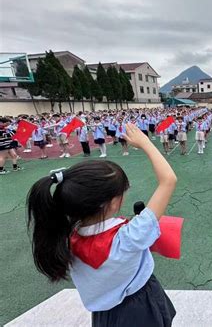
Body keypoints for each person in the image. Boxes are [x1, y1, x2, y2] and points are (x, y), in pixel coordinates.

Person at [26, 123, 177, 326]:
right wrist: (145, 142)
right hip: (142, 307)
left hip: (105, 314)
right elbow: (168, 180)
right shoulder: (129, 237)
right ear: (113, 202)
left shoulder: (66, 238)